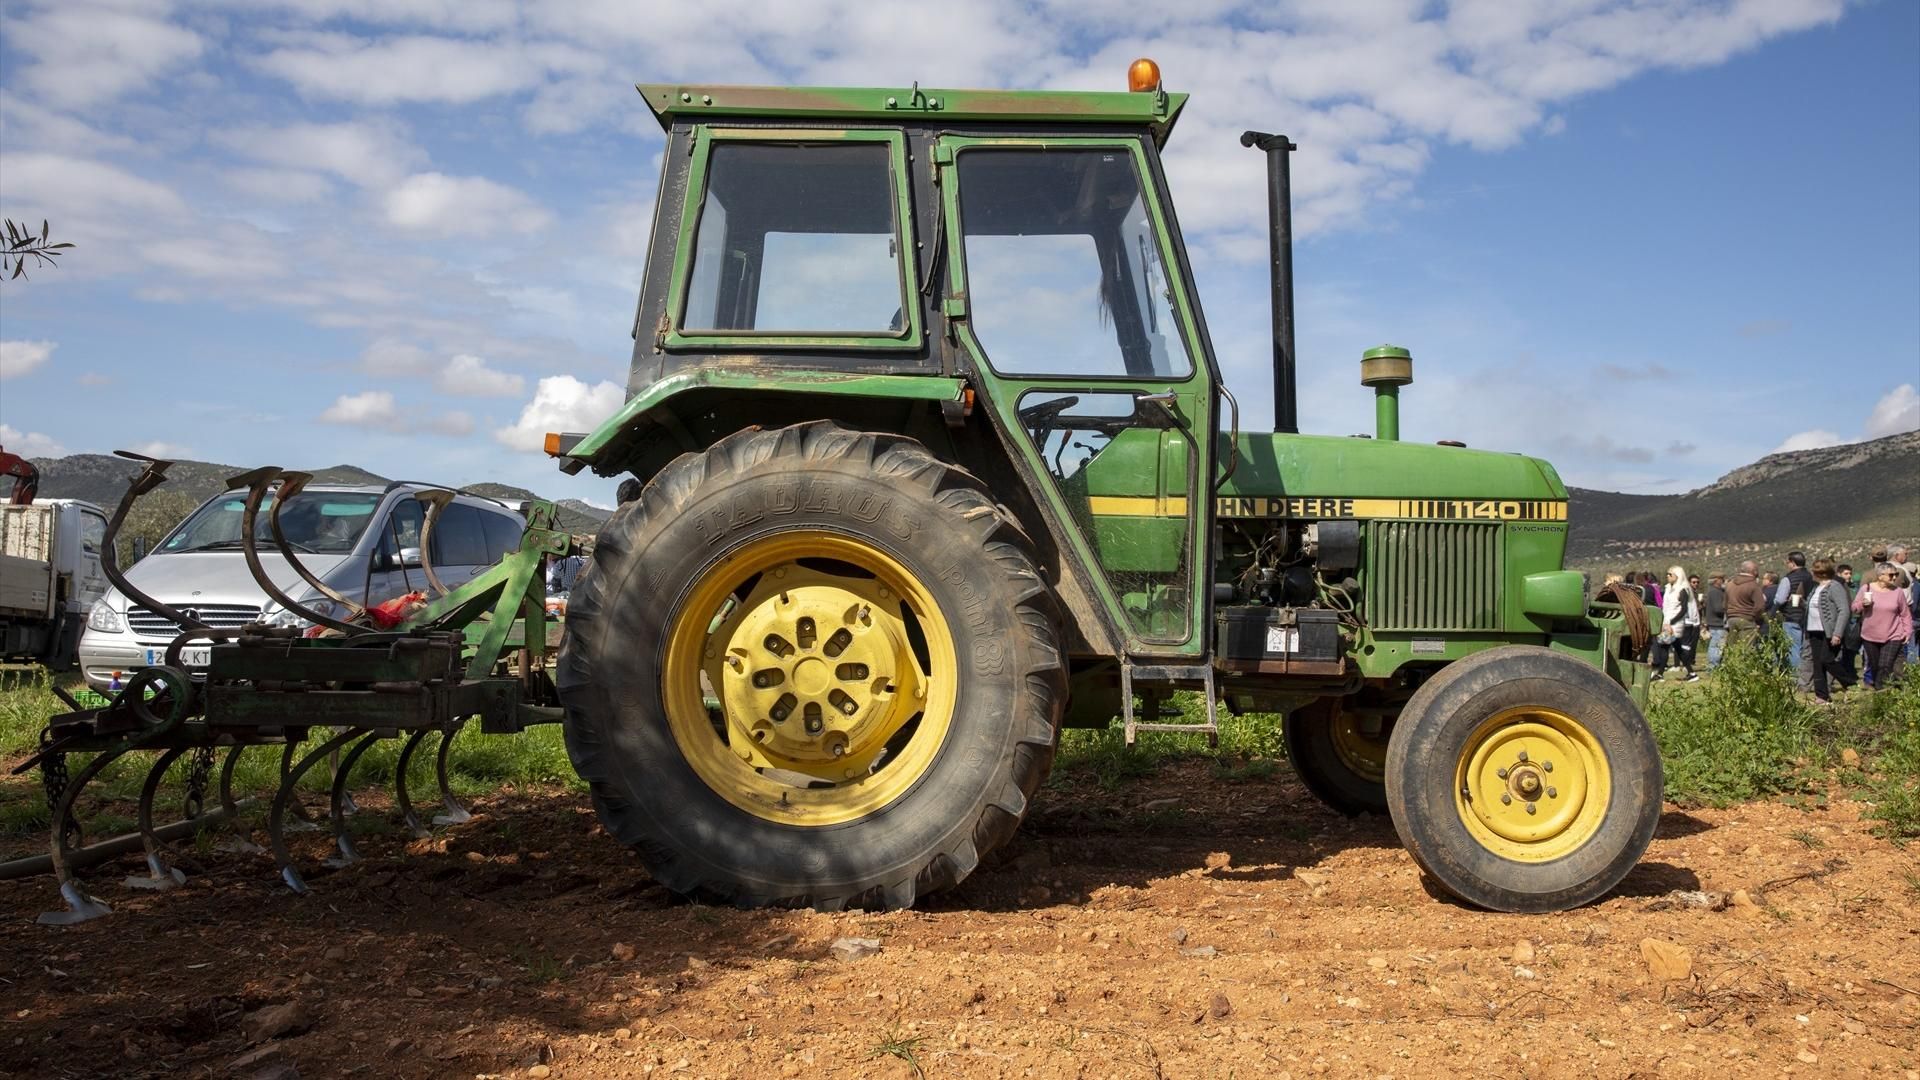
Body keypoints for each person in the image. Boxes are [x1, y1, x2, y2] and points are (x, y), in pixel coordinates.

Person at [1852, 563, 1913, 688]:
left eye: (1896, 574)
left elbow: (1905, 614)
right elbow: (1854, 608)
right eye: (1891, 575)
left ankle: (1881, 691)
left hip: (1893, 635)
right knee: (1875, 666)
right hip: (1870, 635)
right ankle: (1881, 689)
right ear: (1880, 576)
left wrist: (1907, 632)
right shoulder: (1866, 589)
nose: (1894, 577)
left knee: (1885, 665)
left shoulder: (1898, 592)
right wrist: (1863, 604)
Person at [1805, 559, 1855, 702]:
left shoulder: (1834, 587)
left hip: (1829, 631)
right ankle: (1821, 695)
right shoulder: (1816, 587)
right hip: (1814, 629)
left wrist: (1837, 633)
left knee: (1827, 659)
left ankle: (1850, 683)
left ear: (1819, 572)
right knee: (1817, 663)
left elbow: (1844, 610)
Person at [1774, 551, 1815, 690]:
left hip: (1791, 616)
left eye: (1788, 562)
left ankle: (1796, 678)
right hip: (1808, 616)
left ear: (1792, 563)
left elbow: (1779, 599)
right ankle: (1808, 677)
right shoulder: (1810, 576)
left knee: (1794, 649)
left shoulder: (1788, 579)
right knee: (1806, 649)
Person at [1651, 565, 1699, 680]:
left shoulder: (1682, 590)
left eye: (1670, 574)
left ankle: (1660, 674)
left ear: (1677, 576)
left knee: (1665, 647)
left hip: (1675, 623)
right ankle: (1691, 673)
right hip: (1666, 621)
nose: (1667, 576)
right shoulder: (1668, 588)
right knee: (1676, 648)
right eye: (1667, 574)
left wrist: (1671, 622)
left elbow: (1683, 610)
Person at [1724, 561, 1767, 651]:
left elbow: (1725, 604)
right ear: (1754, 571)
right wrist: (1755, 618)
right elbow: (1759, 607)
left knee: (1733, 648)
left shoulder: (1730, 584)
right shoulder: (1753, 585)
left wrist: (1729, 616)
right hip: (1747, 619)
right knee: (1746, 649)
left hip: (1731, 618)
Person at [1703, 572, 1729, 670]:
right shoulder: (1715, 592)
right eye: (1722, 579)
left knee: (1716, 646)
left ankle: (1714, 667)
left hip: (1715, 624)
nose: (1724, 581)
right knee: (1717, 647)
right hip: (1718, 624)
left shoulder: (1714, 591)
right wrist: (1729, 609)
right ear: (1716, 580)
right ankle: (1713, 668)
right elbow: (1718, 609)